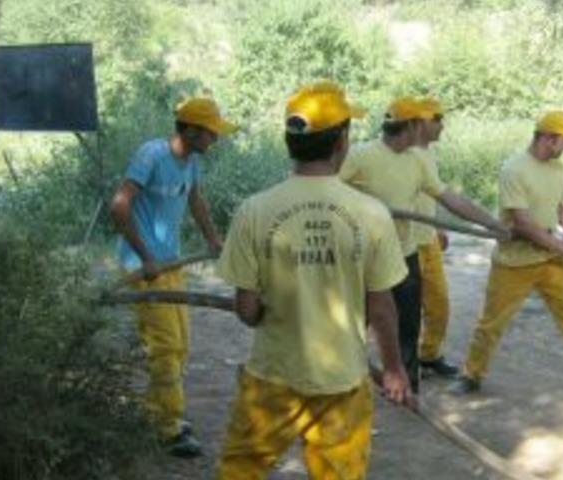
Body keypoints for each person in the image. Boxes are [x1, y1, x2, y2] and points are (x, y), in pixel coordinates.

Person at [215, 81, 413, 479]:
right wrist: (394, 368)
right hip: (342, 382)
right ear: (342, 140)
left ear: (290, 142)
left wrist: (261, 311)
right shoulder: (371, 214)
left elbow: (246, 309)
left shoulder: (253, 211)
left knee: (240, 470)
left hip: (271, 377)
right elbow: (382, 307)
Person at [340, 97, 506, 394]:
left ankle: (406, 387)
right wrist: (364, 207)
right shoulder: (360, 156)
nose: (432, 126)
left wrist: (491, 224)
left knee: (408, 323)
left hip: (404, 254)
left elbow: (449, 198)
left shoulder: (417, 161)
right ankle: (339, 378)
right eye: (425, 122)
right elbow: (327, 190)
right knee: (359, 320)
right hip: (365, 258)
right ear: (413, 125)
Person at [450, 111, 563, 401]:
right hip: (515, 262)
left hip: (551, 261)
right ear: (549, 138)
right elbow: (524, 223)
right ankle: (471, 375)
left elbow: (559, 208)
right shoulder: (514, 170)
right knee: (491, 324)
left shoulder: (556, 168)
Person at [110, 97, 236, 457]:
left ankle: (159, 413)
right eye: (211, 133)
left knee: (181, 343)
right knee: (167, 347)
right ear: (192, 130)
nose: (215, 139)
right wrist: (145, 257)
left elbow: (196, 200)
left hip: (170, 265)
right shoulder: (150, 156)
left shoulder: (191, 162)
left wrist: (213, 238)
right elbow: (119, 205)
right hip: (145, 268)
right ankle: (167, 428)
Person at [411, 98, 457, 377]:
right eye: (436, 118)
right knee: (406, 309)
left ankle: (429, 355)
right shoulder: (402, 154)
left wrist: (438, 226)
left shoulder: (429, 155)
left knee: (439, 304)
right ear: (420, 122)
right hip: (406, 243)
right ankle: (405, 364)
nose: (442, 124)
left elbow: (432, 193)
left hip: (428, 239)